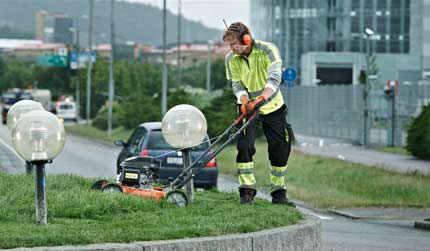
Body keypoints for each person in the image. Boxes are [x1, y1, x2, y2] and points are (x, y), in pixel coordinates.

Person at [223, 22, 295, 207]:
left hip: (273, 105)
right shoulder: (231, 59)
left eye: (233, 45)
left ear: (246, 39)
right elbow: (237, 85)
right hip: (247, 107)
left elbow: (274, 78)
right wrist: (245, 100)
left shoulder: (268, 50)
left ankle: (279, 193)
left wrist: (261, 98)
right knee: (245, 146)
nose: (231, 49)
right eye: (229, 46)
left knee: (280, 148)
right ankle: (247, 192)